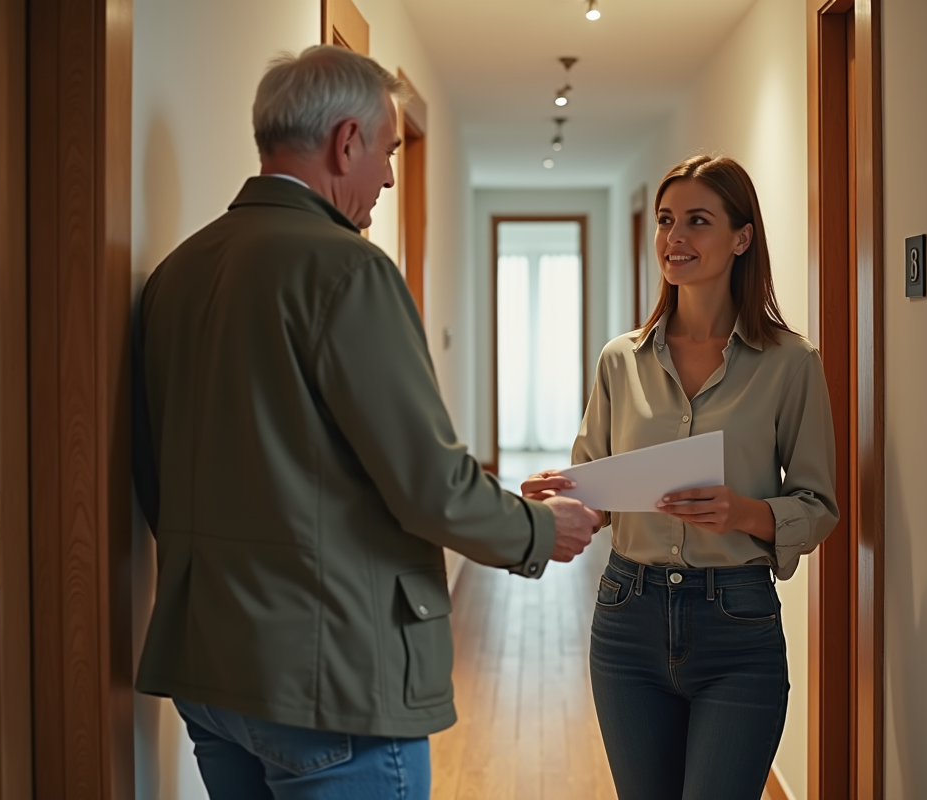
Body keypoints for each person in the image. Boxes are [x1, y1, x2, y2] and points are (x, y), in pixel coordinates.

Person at [131, 45, 599, 800]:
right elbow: (431, 485)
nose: (386, 175)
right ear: (345, 140)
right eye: (384, 152)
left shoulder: (176, 275)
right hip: (329, 681)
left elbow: (155, 475)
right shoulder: (348, 269)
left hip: (207, 668)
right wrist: (542, 529)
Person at [524, 155, 839, 799]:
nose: (675, 238)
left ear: (741, 237)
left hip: (738, 625)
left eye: (698, 221)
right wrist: (562, 498)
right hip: (626, 618)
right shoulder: (622, 360)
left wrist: (743, 512)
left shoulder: (790, 363)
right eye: (667, 220)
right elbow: (600, 495)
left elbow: (818, 505)